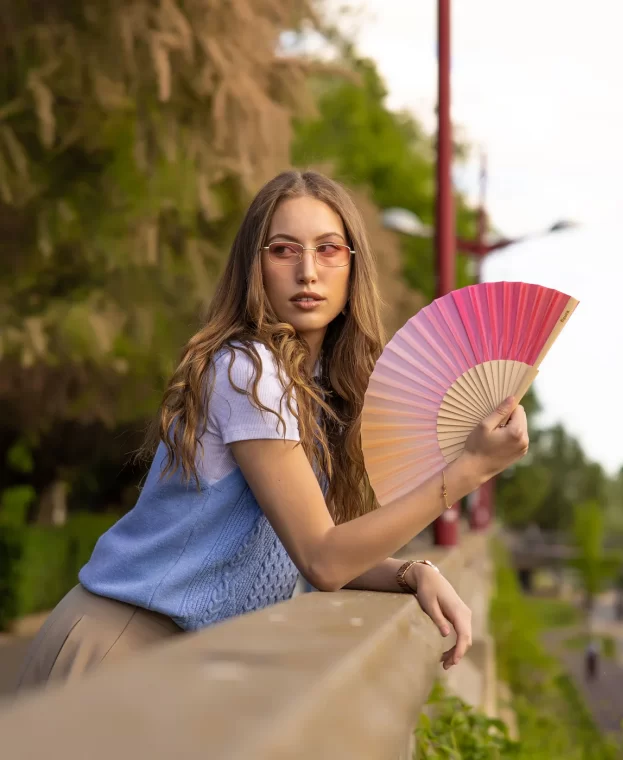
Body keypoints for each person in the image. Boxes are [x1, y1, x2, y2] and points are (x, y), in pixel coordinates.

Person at [16, 170, 530, 691]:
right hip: (117, 647)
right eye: (284, 250)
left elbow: (308, 549)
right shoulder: (249, 371)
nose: (308, 271)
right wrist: (472, 469)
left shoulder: (318, 388)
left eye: (329, 249)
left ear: (353, 268)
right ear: (254, 266)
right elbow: (323, 559)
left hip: (176, 661)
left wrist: (411, 572)